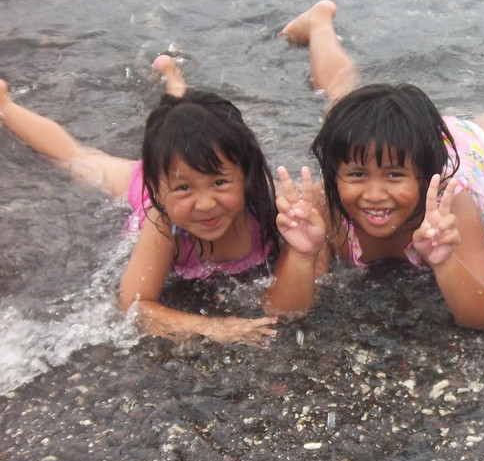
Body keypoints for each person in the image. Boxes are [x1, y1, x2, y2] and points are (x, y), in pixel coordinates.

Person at [265, 0, 484, 330]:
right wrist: (301, 255)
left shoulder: (450, 203)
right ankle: (319, 22)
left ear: (426, 177)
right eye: (356, 176)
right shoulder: (323, 208)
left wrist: (446, 262)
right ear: (334, 173)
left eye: (394, 177)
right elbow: (283, 315)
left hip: (467, 149)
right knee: (340, 100)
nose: (375, 194)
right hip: (389, 143)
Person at [0, 57, 282, 345]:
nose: (206, 203)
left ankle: (174, 79)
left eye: (220, 182)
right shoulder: (162, 223)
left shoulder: (266, 205)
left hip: (174, 172)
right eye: (186, 188)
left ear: (246, 176)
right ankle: (5, 105)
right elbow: (135, 307)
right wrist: (212, 327)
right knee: (78, 159)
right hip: (149, 184)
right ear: (156, 187)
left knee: (184, 120)